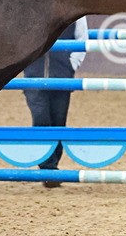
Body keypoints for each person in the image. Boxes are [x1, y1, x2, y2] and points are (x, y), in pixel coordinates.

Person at [24, 17, 87, 188]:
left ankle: (51, 167)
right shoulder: (29, 7)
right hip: (33, 75)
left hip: (62, 75)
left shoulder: (77, 13)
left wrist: (70, 65)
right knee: (41, 119)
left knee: (59, 123)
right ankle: (47, 168)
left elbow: (82, 38)